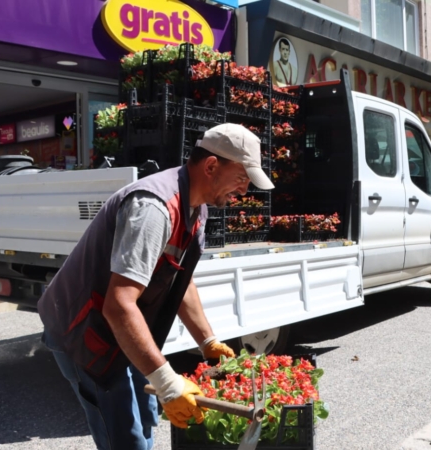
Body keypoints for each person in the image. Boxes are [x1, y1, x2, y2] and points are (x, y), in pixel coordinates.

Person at [37, 124, 275, 450]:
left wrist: (207, 341)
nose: (245, 190)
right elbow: (119, 305)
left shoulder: (196, 207)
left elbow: (179, 278)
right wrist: (167, 382)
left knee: (148, 416)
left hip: (118, 328)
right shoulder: (154, 208)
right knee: (125, 437)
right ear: (210, 166)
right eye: (242, 177)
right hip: (85, 331)